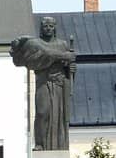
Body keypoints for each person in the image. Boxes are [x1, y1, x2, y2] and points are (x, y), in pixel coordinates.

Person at [10, 16, 75, 150]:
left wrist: (71, 68)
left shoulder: (62, 44)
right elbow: (35, 61)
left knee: (59, 116)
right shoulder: (36, 44)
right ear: (41, 28)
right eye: (45, 26)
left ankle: (60, 145)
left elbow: (67, 67)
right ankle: (40, 143)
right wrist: (62, 56)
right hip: (43, 82)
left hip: (59, 84)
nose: (48, 29)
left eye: (51, 26)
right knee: (42, 112)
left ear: (54, 27)